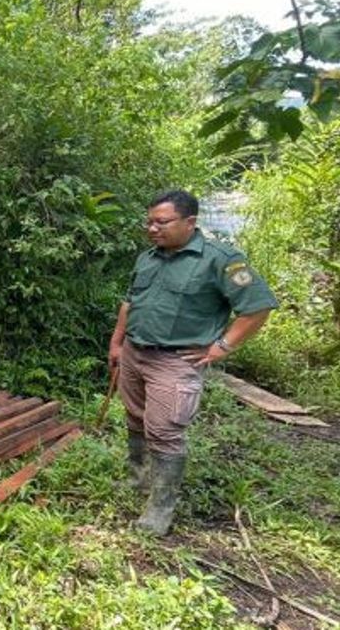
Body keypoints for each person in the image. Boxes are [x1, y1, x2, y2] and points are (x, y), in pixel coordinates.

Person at [108, 190, 277, 536]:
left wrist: (221, 348)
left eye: (162, 222)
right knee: (135, 418)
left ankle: (159, 509)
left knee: (166, 431)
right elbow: (130, 302)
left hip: (175, 361)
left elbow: (257, 306)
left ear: (190, 222)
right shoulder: (148, 258)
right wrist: (117, 341)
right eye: (149, 221)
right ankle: (138, 480)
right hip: (135, 353)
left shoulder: (221, 260)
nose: (152, 228)